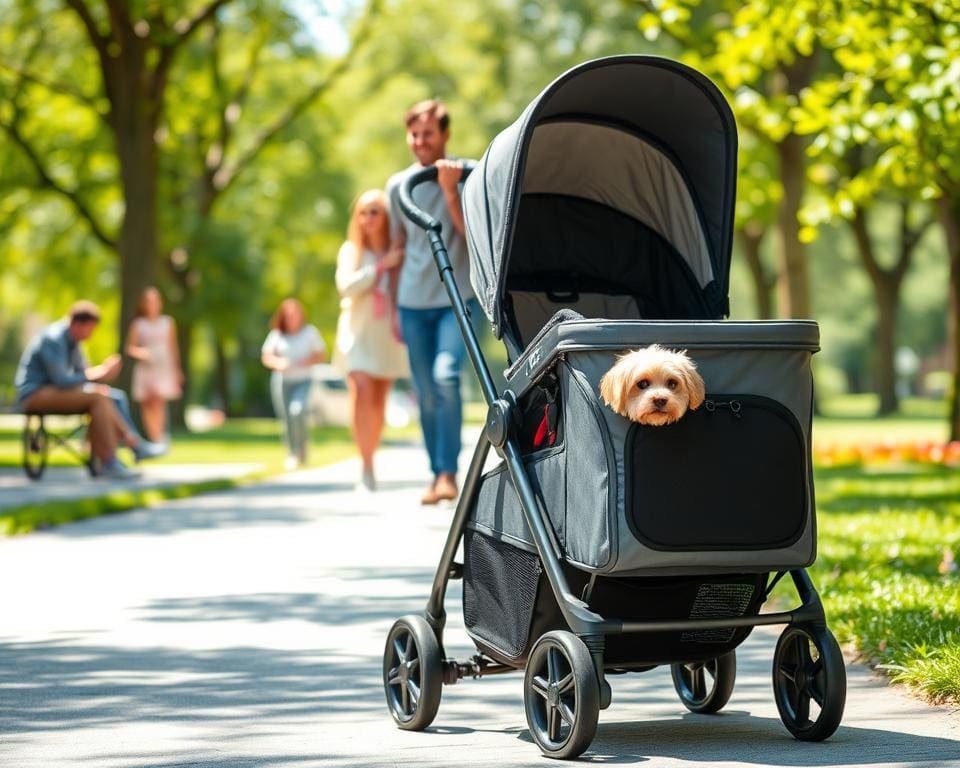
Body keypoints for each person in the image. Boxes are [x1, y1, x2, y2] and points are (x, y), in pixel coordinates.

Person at [386, 99, 477, 505]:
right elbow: (398, 246)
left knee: (446, 377)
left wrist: (450, 192)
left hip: (457, 298)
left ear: (445, 135)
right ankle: (435, 471)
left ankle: (448, 473)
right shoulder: (397, 186)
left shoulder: (467, 174)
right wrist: (391, 307)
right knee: (424, 391)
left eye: (428, 133)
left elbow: (474, 237)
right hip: (411, 302)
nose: (420, 141)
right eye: (414, 134)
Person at [14, 300, 167, 479]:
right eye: (90, 329)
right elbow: (61, 380)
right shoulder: (54, 339)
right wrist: (98, 374)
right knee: (97, 397)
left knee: (111, 395)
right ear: (77, 324)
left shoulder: (74, 342)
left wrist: (99, 377)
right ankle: (113, 458)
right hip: (36, 394)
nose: (91, 334)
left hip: (58, 392)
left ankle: (132, 446)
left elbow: (82, 373)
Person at [334, 190, 410, 491]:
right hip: (357, 333)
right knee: (361, 390)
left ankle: (371, 458)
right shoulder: (351, 251)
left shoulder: (399, 250)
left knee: (378, 400)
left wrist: (394, 262)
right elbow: (346, 287)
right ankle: (364, 465)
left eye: (375, 211)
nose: (368, 218)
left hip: (386, 336)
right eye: (363, 212)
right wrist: (380, 267)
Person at [261, 298, 327, 470]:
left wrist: (309, 361)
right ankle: (292, 453)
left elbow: (321, 354)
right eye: (289, 316)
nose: (292, 319)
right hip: (283, 381)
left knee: (297, 411)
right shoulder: (277, 335)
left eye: (295, 315)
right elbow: (266, 356)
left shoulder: (309, 333)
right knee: (287, 419)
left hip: (303, 380)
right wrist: (279, 363)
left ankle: (302, 446)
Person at [125, 286, 183, 443]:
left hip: (163, 366)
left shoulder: (168, 322)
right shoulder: (138, 324)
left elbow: (173, 348)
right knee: (148, 403)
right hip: (146, 367)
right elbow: (130, 347)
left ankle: (160, 438)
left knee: (158, 402)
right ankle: (154, 437)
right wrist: (141, 353)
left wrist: (177, 370)